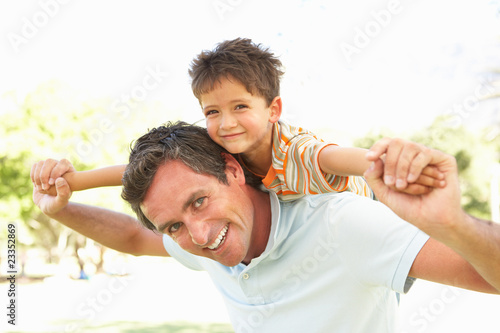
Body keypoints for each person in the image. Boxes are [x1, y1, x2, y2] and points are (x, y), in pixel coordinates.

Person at [31, 122, 499, 333]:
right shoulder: (199, 238)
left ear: (233, 171)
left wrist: (452, 224)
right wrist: (61, 210)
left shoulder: (342, 223)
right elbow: (134, 238)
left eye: (198, 200)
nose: (196, 235)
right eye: (173, 225)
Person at [38, 38, 444, 199]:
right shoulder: (218, 149)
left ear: (274, 110)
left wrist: (393, 163)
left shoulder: (299, 151)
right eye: (212, 112)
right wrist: (73, 182)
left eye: (240, 107)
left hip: (373, 232)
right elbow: (145, 169)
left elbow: (343, 159)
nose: (225, 122)